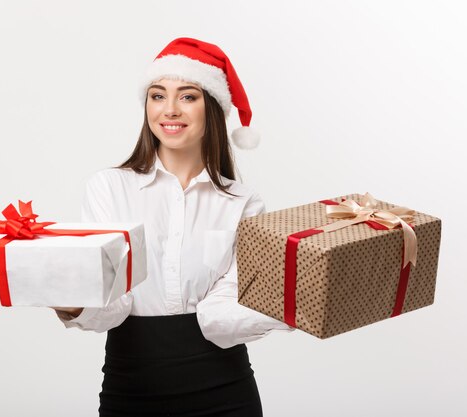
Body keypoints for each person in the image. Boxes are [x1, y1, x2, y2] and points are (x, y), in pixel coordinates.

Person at [52, 37, 294, 417]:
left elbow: (222, 317)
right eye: (157, 95)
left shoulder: (244, 203)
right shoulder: (109, 188)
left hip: (225, 392)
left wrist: (293, 306)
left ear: (211, 108)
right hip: (132, 387)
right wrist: (73, 299)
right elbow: (116, 306)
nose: (169, 110)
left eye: (187, 96)